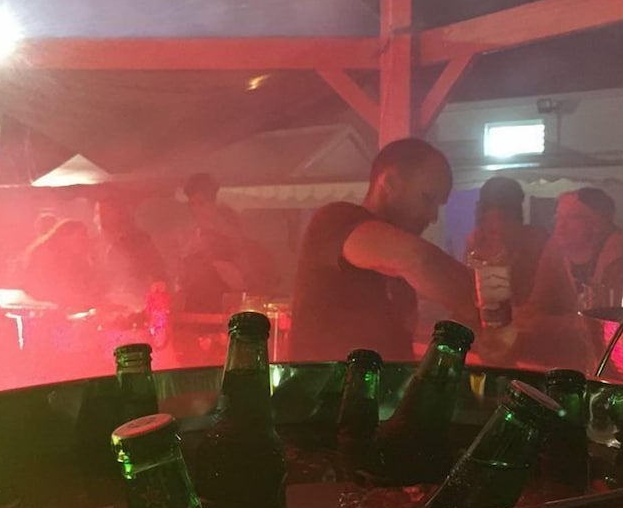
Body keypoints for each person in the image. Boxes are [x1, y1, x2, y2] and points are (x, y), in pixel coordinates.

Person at [289, 137, 477, 362]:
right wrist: (483, 302)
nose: (433, 216)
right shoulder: (335, 219)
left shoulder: (400, 276)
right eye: (427, 199)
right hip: (323, 385)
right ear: (389, 183)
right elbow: (417, 258)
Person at [464, 176, 576, 318]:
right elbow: (468, 294)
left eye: (505, 219)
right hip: (497, 321)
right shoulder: (476, 242)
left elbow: (541, 303)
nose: (497, 227)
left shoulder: (538, 241)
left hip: (542, 322)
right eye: (489, 222)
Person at [177, 172, 279, 313]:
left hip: (228, 317)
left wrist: (237, 282)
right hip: (193, 316)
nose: (196, 210)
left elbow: (247, 285)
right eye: (192, 204)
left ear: (213, 204)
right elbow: (183, 284)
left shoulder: (235, 242)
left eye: (201, 203)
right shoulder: (189, 241)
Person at [552, 188, 623, 309]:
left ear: (598, 222)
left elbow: (615, 313)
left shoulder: (620, 250)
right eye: (558, 217)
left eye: (573, 217)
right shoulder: (556, 249)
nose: (561, 225)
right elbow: (537, 307)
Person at [94, 194, 168, 309]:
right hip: (108, 305)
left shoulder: (138, 240)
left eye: (108, 211)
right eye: (100, 212)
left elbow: (157, 270)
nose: (104, 216)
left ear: (119, 212)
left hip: (137, 302)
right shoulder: (96, 242)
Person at [21, 218, 104, 311]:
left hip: (71, 309)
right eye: (81, 237)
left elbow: (90, 286)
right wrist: (77, 299)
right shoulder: (46, 256)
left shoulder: (78, 259)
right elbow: (48, 291)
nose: (85, 240)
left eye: (85, 236)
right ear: (65, 238)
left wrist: (95, 260)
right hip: (45, 310)